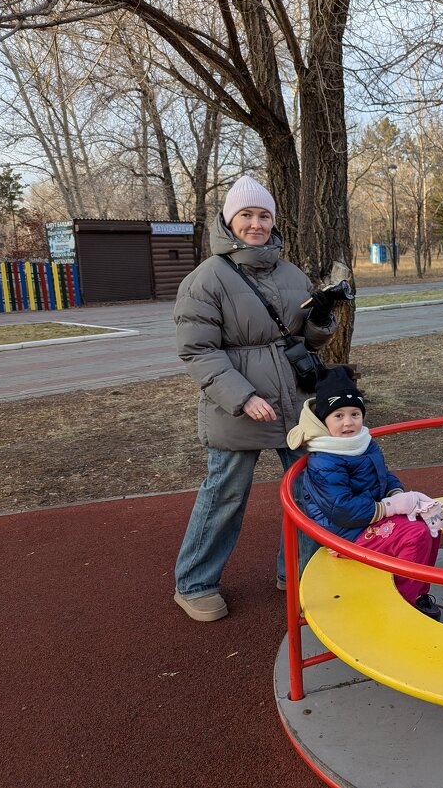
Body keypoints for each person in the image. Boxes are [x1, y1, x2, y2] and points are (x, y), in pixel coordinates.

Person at [172, 175, 337, 622]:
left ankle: (301, 572)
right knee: (225, 494)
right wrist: (242, 397)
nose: (256, 224)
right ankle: (194, 583)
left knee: (309, 492)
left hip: (294, 401)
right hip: (238, 405)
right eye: (246, 215)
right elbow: (197, 351)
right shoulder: (206, 279)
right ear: (229, 220)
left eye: (264, 215)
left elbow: (308, 340)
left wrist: (322, 319)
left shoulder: (291, 272)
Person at [286, 366, 443, 620]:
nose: (348, 422)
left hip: (367, 516)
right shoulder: (325, 459)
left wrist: (396, 492)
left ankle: (416, 593)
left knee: (430, 522)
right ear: (323, 420)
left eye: (354, 413)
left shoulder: (362, 442)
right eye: (338, 415)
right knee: (415, 535)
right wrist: (392, 507)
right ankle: (400, 607)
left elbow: (383, 474)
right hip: (345, 531)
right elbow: (342, 509)